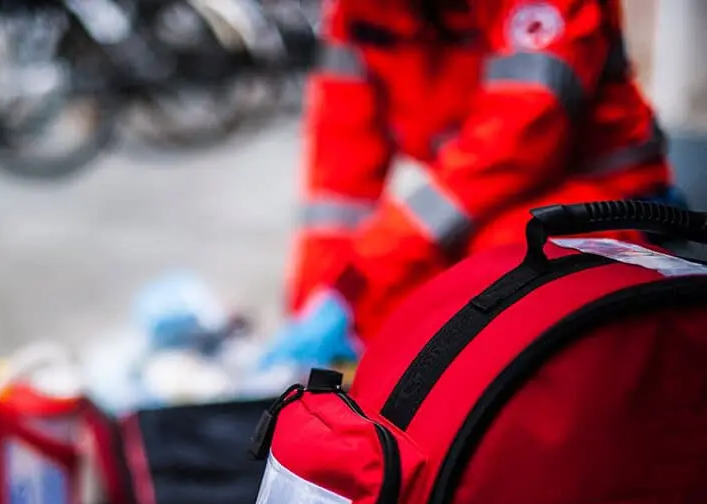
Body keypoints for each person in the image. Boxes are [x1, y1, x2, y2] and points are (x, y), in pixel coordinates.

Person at [260, 0, 684, 368]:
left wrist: (368, 267)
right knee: (382, 307)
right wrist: (322, 294)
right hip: (482, 203)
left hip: (608, 201)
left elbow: (523, 133)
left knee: (485, 305)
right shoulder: (360, 11)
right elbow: (340, 176)